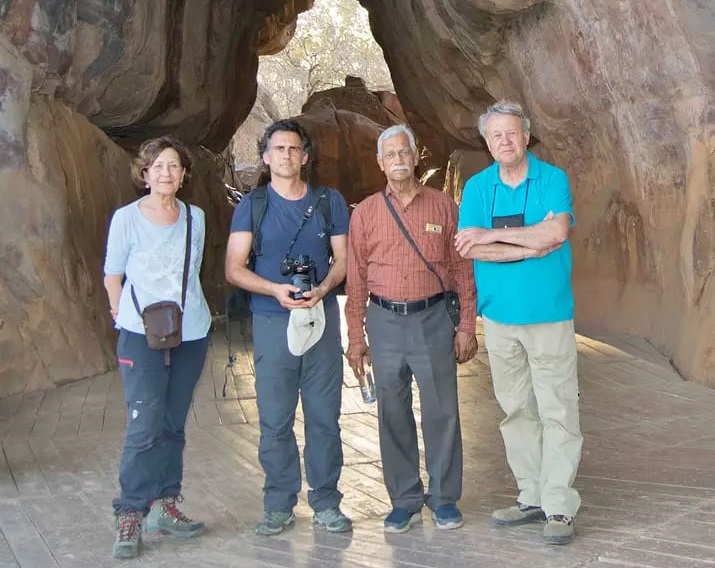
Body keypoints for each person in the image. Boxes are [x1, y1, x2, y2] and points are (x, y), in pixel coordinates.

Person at [455, 100, 583, 545]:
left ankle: (559, 506)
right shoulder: (477, 188)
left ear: (526, 136)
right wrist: (528, 245)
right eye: (495, 135)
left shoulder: (552, 179)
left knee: (558, 410)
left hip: (548, 315)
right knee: (516, 410)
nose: (504, 141)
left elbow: (557, 233)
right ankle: (530, 495)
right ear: (487, 142)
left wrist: (494, 234)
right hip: (500, 318)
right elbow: (469, 247)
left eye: (511, 133)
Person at [345, 124, 478, 534]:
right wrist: (355, 338)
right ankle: (403, 499)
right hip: (384, 323)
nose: (399, 160)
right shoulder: (366, 213)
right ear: (380, 162)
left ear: (415, 156)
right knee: (392, 413)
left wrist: (467, 327)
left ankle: (443, 499)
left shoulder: (443, 207)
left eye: (405, 152)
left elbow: (462, 270)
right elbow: (356, 280)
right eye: (391, 155)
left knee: (442, 411)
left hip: (433, 318)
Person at [224, 119, 352, 536]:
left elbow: (343, 260)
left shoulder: (329, 202)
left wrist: (324, 288)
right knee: (276, 418)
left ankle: (327, 501)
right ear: (265, 156)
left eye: (294, 149)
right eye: (278, 149)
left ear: (305, 156)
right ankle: (278, 503)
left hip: (320, 320)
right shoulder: (253, 205)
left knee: (323, 416)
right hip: (272, 321)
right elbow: (234, 268)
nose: (286, 155)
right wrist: (274, 289)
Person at [103, 136, 211, 559]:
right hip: (139, 332)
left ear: (184, 175)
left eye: (174, 166)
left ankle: (165, 504)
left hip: (191, 330)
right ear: (144, 174)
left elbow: (191, 271)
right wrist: (120, 314)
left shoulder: (195, 218)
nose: (166, 172)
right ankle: (130, 511)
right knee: (143, 424)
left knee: (172, 423)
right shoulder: (126, 219)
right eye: (158, 166)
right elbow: (113, 273)